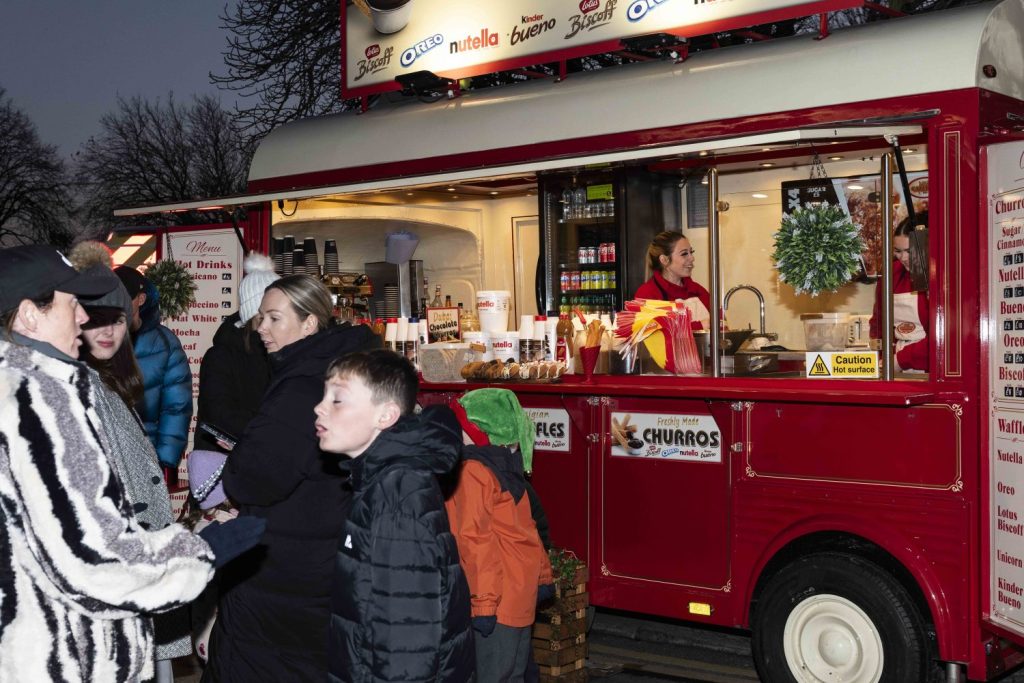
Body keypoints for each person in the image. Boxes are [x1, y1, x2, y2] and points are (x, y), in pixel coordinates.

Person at [0, 245, 265, 682]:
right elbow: (94, 560)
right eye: (71, 304)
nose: (83, 318)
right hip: (67, 655)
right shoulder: (38, 400)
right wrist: (199, 552)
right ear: (29, 315)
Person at [205, 274, 380, 682]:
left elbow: (252, 477)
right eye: (260, 318)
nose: (261, 328)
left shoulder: (301, 387)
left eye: (274, 318)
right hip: (323, 553)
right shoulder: (342, 375)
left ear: (309, 323)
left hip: (282, 570)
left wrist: (237, 458)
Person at [315, 350, 474, 682]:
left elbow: (408, 639)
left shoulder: (397, 494)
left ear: (385, 415)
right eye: (324, 396)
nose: (320, 407)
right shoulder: (380, 480)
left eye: (338, 399)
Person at [78, 265, 193, 681]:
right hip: (118, 554)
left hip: (141, 525)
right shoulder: (82, 384)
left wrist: (164, 462)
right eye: (96, 319)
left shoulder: (122, 371)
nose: (108, 330)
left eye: (117, 318)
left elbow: (177, 405)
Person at [447, 388, 554, 683]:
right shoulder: (507, 468)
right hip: (520, 596)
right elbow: (527, 531)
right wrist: (543, 577)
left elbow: (474, 543)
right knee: (514, 675)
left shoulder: (472, 472)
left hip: (495, 601)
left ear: (477, 431)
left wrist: (482, 605)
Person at [195, 253, 280, 451]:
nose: (270, 326)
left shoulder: (283, 352)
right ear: (251, 317)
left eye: (277, 318)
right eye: (264, 318)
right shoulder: (222, 355)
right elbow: (220, 416)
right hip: (228, 460)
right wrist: (276, 431)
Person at [115, 265, 193, 470]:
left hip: (146, 455)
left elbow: (176, 406)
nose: (117, 303)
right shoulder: (98, 338)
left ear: (141, 299)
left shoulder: (165, 343)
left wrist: (163, 461)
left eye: (125, 297)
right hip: (107, 454)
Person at [870, 211, 929, 372]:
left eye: (910, 251)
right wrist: (881, 355)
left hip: (927, 364)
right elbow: (878, 323)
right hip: (896, 363)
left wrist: (900, 360)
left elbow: (942, 338)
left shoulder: (939, 276)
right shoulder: (892, 273)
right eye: (898, 251)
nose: (903, 258)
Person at [634, 230, 711, 329]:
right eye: (684, 254)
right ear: (664, 260)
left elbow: (721, 324)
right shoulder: (647, 294)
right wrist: (700, 325)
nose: (692, 258)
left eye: (691, 252)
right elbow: (652, 333)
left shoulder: (698, 291)